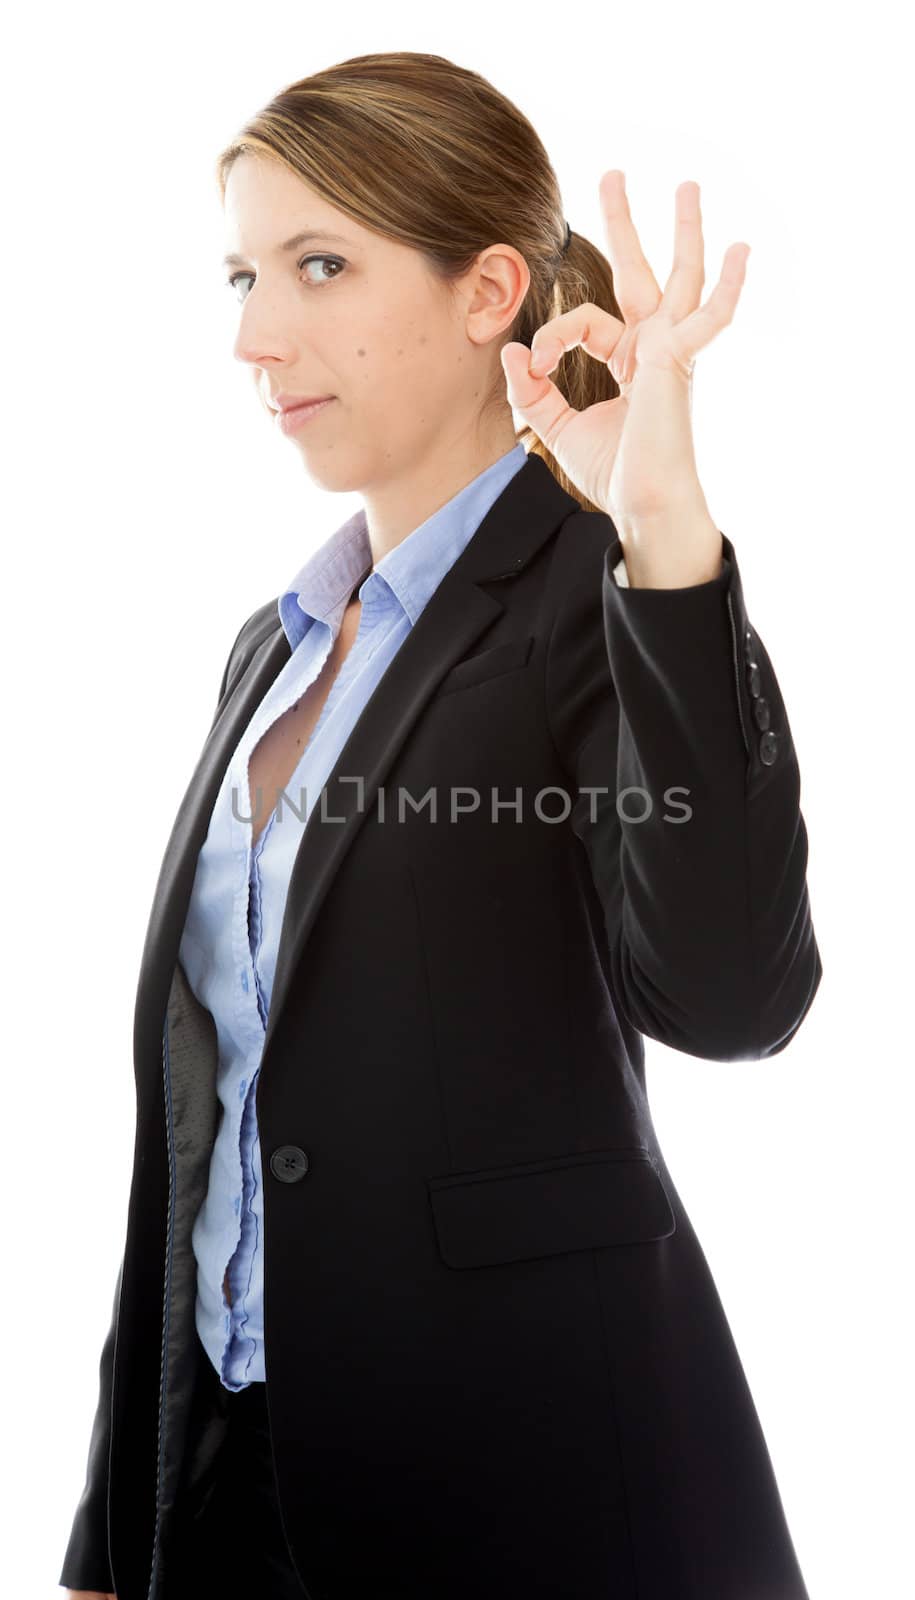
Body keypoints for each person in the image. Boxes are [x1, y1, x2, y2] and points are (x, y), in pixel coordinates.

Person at [60, 49, 823, 1600]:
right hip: (231, 1490)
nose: (256, 335)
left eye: (319, 265)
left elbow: (736, 998)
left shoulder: (595, 593)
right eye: (242, 276)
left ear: (492, 294)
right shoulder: (271, 652)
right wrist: (110, 1527)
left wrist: (659, 540)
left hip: (526, 1489)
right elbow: (205, 1128)